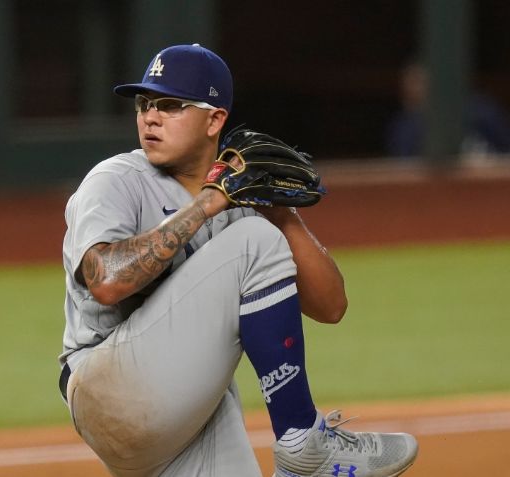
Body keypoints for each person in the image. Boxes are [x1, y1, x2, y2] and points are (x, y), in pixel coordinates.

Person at [59, 44, 419, 476]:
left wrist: (281, 214)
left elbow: (331, 306)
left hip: (182, 404)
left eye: (169, 105)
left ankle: (303, 454)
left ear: (214, 120)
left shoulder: (240, 200)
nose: (150, 117)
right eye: (144, 104)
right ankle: (303, 440)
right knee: (254, 241)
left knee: (259, 234)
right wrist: (208, 205)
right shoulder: (116, 179)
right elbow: (107, 281)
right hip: (106, 387)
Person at [385, 62, 510, 158]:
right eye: (408, 89)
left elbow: (505, 148)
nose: (415, 90)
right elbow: (403, 166)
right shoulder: (405, 126)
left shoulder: (482, 111)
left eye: (420, 82)